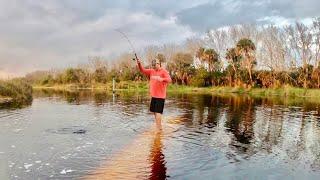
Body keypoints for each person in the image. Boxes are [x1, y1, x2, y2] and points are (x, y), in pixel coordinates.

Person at [136, 57, 172, 131]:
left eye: (155, 65)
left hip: (161, 96)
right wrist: (139, 63)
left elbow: (169, 80)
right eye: (153, 66)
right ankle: (159, 126)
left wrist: (162, 79)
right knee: (155, 112)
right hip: (153, 96)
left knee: (158, 112)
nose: (154, 67)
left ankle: (159, 129)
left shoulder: (163, 71)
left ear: (159, 64)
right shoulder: (151, 71)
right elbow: (142, 70)